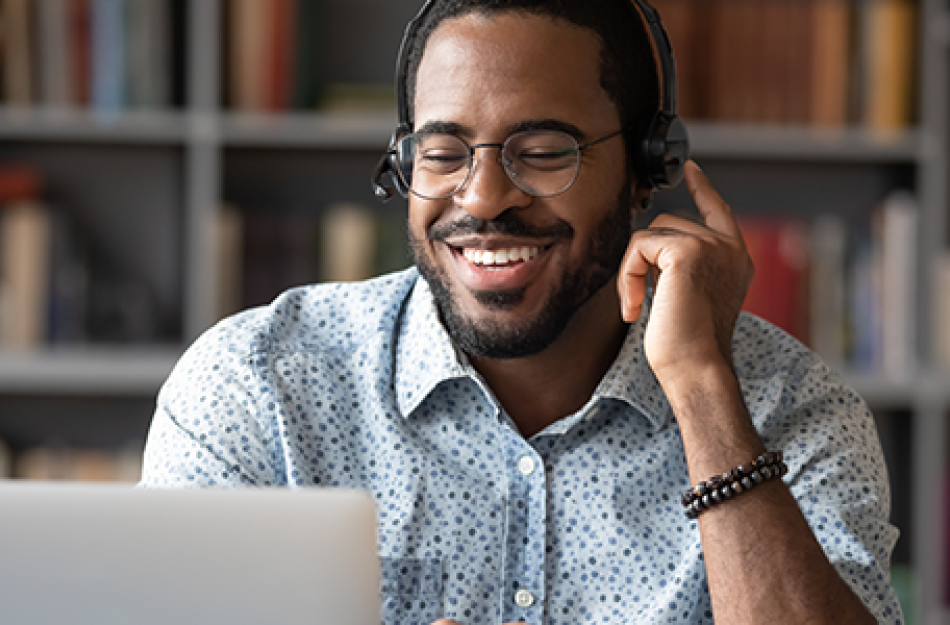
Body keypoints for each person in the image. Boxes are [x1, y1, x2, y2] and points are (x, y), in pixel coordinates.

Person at [140, 1, 903, 623]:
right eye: (442, 154)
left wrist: (704, 387)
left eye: (542, 151)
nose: (482, 198)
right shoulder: (256, 385)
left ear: (646, 172)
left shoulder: (794, 406)